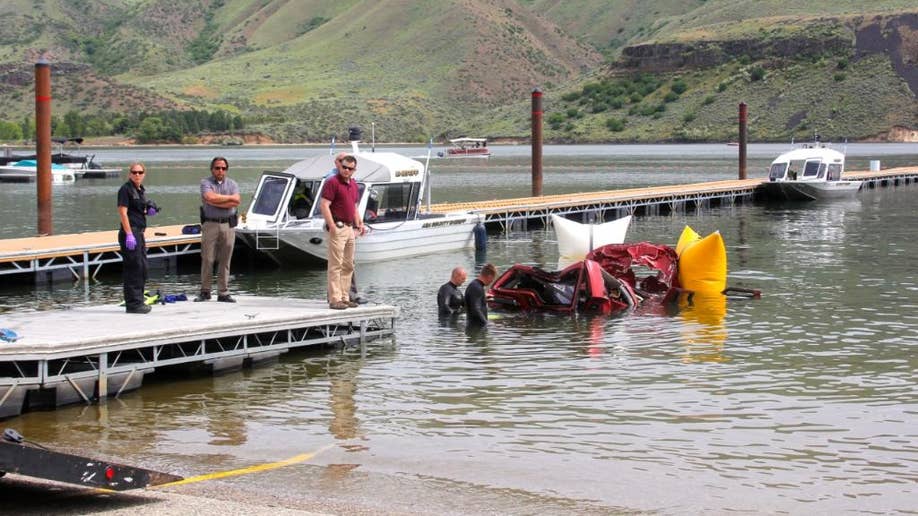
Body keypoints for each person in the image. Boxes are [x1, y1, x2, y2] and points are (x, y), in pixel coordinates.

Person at [320, 154, 366, 310]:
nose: (346, 170)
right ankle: (334, 299)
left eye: (349, 168)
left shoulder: (353, 184)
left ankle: (345, 297)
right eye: (344, 167)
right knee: (335, 265)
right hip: (337, 227)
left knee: (348, 265)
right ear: (340, 166)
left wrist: (359, 222)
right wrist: (331, 225)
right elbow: (324, 205)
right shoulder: (332, 183)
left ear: (354, 170)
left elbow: (353, 207)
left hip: (349, 228)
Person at [196, 157, 241, 303]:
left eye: (223, 168)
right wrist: (227, 200)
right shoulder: (205, 183)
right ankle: (205, 291)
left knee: (225, 260)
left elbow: (236, 201)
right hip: (210, 224)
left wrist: (216, 200)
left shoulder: (233, 184)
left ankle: (223, 293)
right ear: (212, 169)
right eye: (217, 168)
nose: (220, 170)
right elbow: (208, 197)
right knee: (207, 259)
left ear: (226, 170)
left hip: (228, 226)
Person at [117, 162, 156, 314]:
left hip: (139, 232)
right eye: (134, 172)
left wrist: (149, 211)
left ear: (144, 174)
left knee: (142, 268)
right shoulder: (125, 190)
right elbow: (123, 212)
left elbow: (137, 210)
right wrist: (128, 234)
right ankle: (133, 304)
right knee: (133, 268)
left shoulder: (140, 190)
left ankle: (138, 300)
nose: (137, 175)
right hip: (131, 233)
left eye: (140, 172)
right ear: (129, 174)